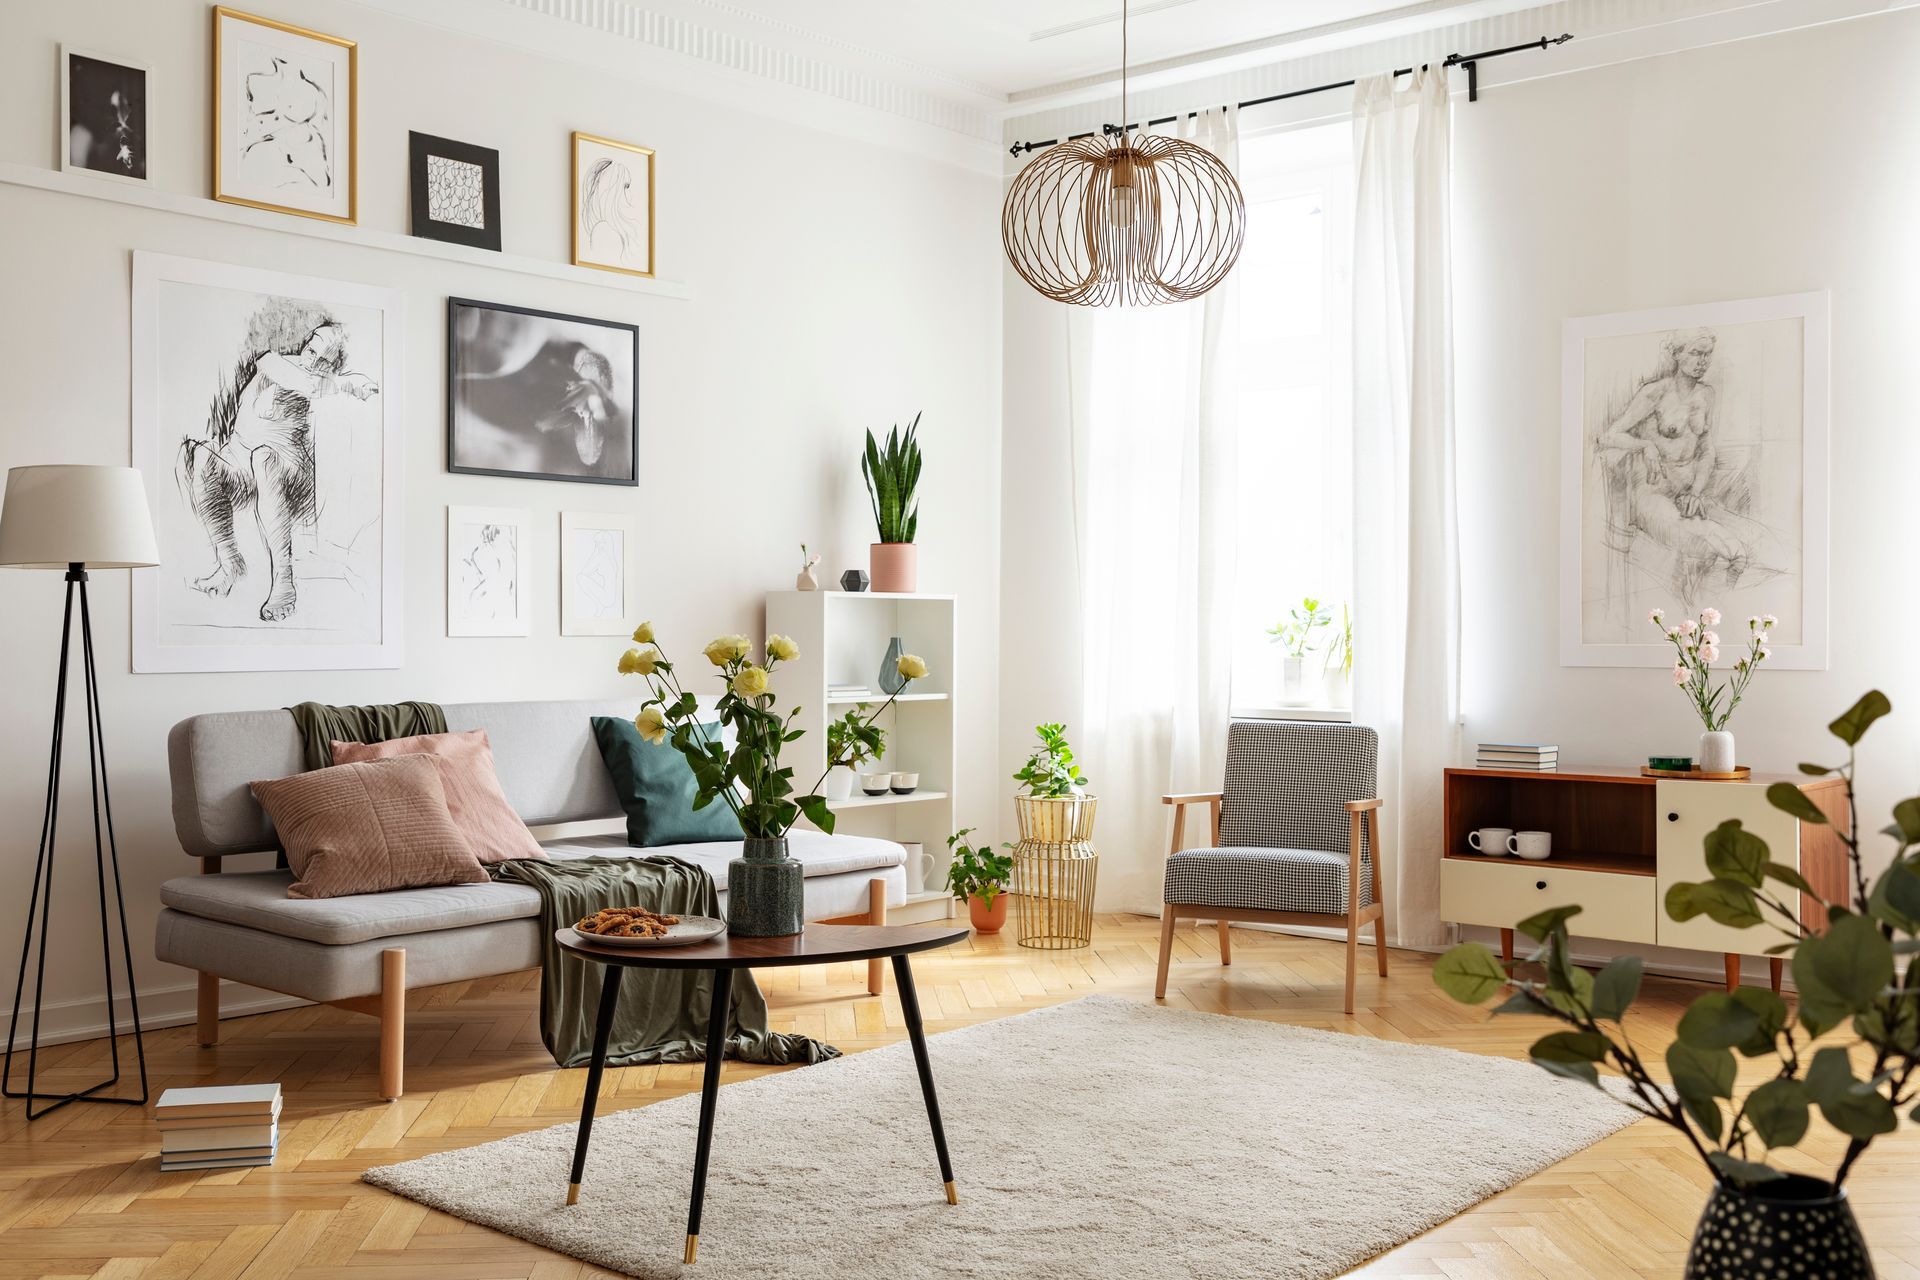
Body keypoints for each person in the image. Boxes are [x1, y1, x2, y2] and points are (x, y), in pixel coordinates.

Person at [177, 322, 378, 621]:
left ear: (332, 365)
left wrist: (340, 385)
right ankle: (229, 561)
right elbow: (305, 382)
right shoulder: (275, 362)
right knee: (203, 455)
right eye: (313, 347)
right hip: (239, 466)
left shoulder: (321, 387)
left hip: (287, 472)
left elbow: (322, 399)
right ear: (306, 342)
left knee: (264, 458)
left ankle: (283, 581)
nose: (313, 358)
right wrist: (348, 382)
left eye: (324, 358)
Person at [1593, 328, 1762, 604]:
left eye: (1707, 355)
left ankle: (1714, 606)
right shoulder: (1655, 393)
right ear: (1677, 354)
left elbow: (1707, 450)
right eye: (1695, 353)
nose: (1702, 361)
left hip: (1687, 495)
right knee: (1705, 544)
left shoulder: (1706, 395)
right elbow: (1607, 436)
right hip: (1653, 494)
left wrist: (1696, 491)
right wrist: (1645, 446)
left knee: (1740, 550)